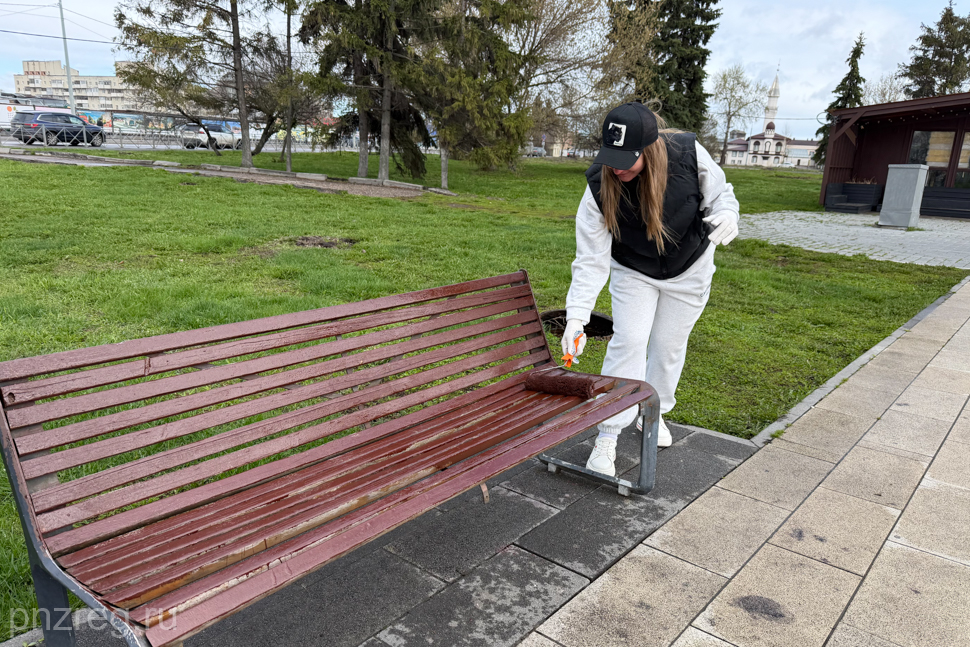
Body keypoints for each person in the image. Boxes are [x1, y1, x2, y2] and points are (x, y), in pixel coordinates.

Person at [562, 102, 740, 477]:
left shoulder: (689, 154)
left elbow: (721, 194)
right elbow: (590, 259)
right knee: (629, 340)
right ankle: (607, 434)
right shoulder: (598, 186)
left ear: (650, 148)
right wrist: (576, 318)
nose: (617, 168)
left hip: (689, 268)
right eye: (611, 158)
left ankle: (652, 413)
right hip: (634, 269)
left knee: (667, 346)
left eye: (627, 159)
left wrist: (728, 213)